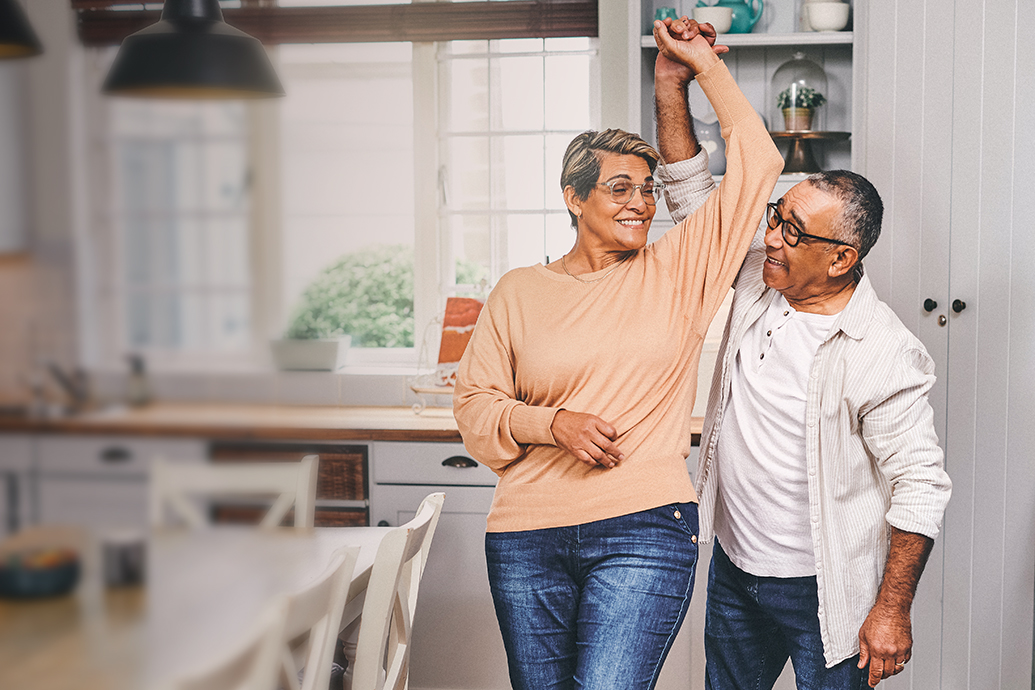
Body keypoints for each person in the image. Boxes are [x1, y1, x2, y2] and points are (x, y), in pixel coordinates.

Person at [451, 20, 784, 690]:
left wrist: (695, 69)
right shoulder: (519, 290)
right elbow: (474, 405)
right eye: (619, 188)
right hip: (525, 533)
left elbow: (758, 163)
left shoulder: (679, 269)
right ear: (573, 199)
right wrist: (551, 424)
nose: (640, 204)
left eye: (646, 188)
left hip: (643, 528)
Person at [654, 26, 953, 688]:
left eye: (793, 230)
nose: (771, 237)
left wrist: (890, 611)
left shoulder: (883, 351)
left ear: (841, 258)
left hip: (825, 590)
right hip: (733, 572)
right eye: (774, 216)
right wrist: (671, 84)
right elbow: (688, 198)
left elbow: (920, 484)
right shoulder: (759, 276)